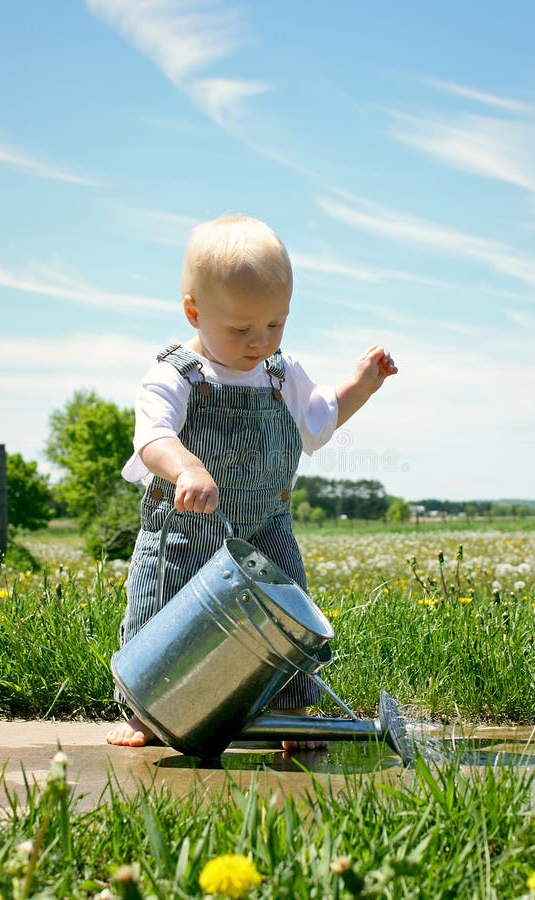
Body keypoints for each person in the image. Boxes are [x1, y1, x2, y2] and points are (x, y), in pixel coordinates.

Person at [106, 214, 397, 749]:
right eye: (241, 328)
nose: (260, 341)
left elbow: (321, 419)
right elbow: (153, 436)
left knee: (287, 614)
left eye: (275, 325)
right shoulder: (175, 373)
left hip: (265, 525)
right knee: (164, 610)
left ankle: (291, 714)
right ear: (194, 311)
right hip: (187, 528)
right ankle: (149, 709)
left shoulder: (282, 373)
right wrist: (187, 468)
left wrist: (363, 386)